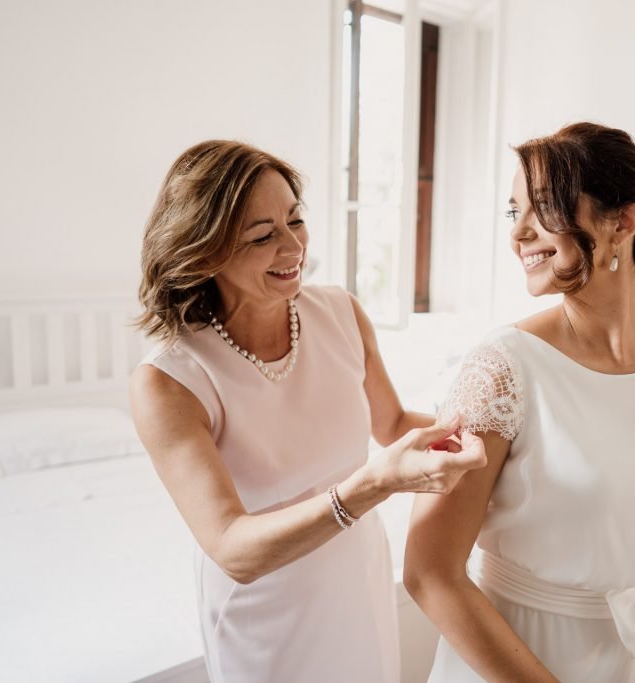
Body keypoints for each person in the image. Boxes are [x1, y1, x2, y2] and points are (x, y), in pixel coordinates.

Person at [129, 140, 486, 683]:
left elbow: (390, 425)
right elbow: (232, 548)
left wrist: (496, 431)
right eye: (262, 235)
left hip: (356, 579)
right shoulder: (169, 381)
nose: (293, 245)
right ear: (206, 251)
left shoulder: (340, 312)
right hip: (263, 613)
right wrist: (371, 486)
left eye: (295, 220)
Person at [404, 122, 635, 682]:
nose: (519, 232)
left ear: (622, 221)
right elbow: (429, 572)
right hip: (529, 656)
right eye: (513, 211)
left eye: (542, 207)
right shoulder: (501, 370)